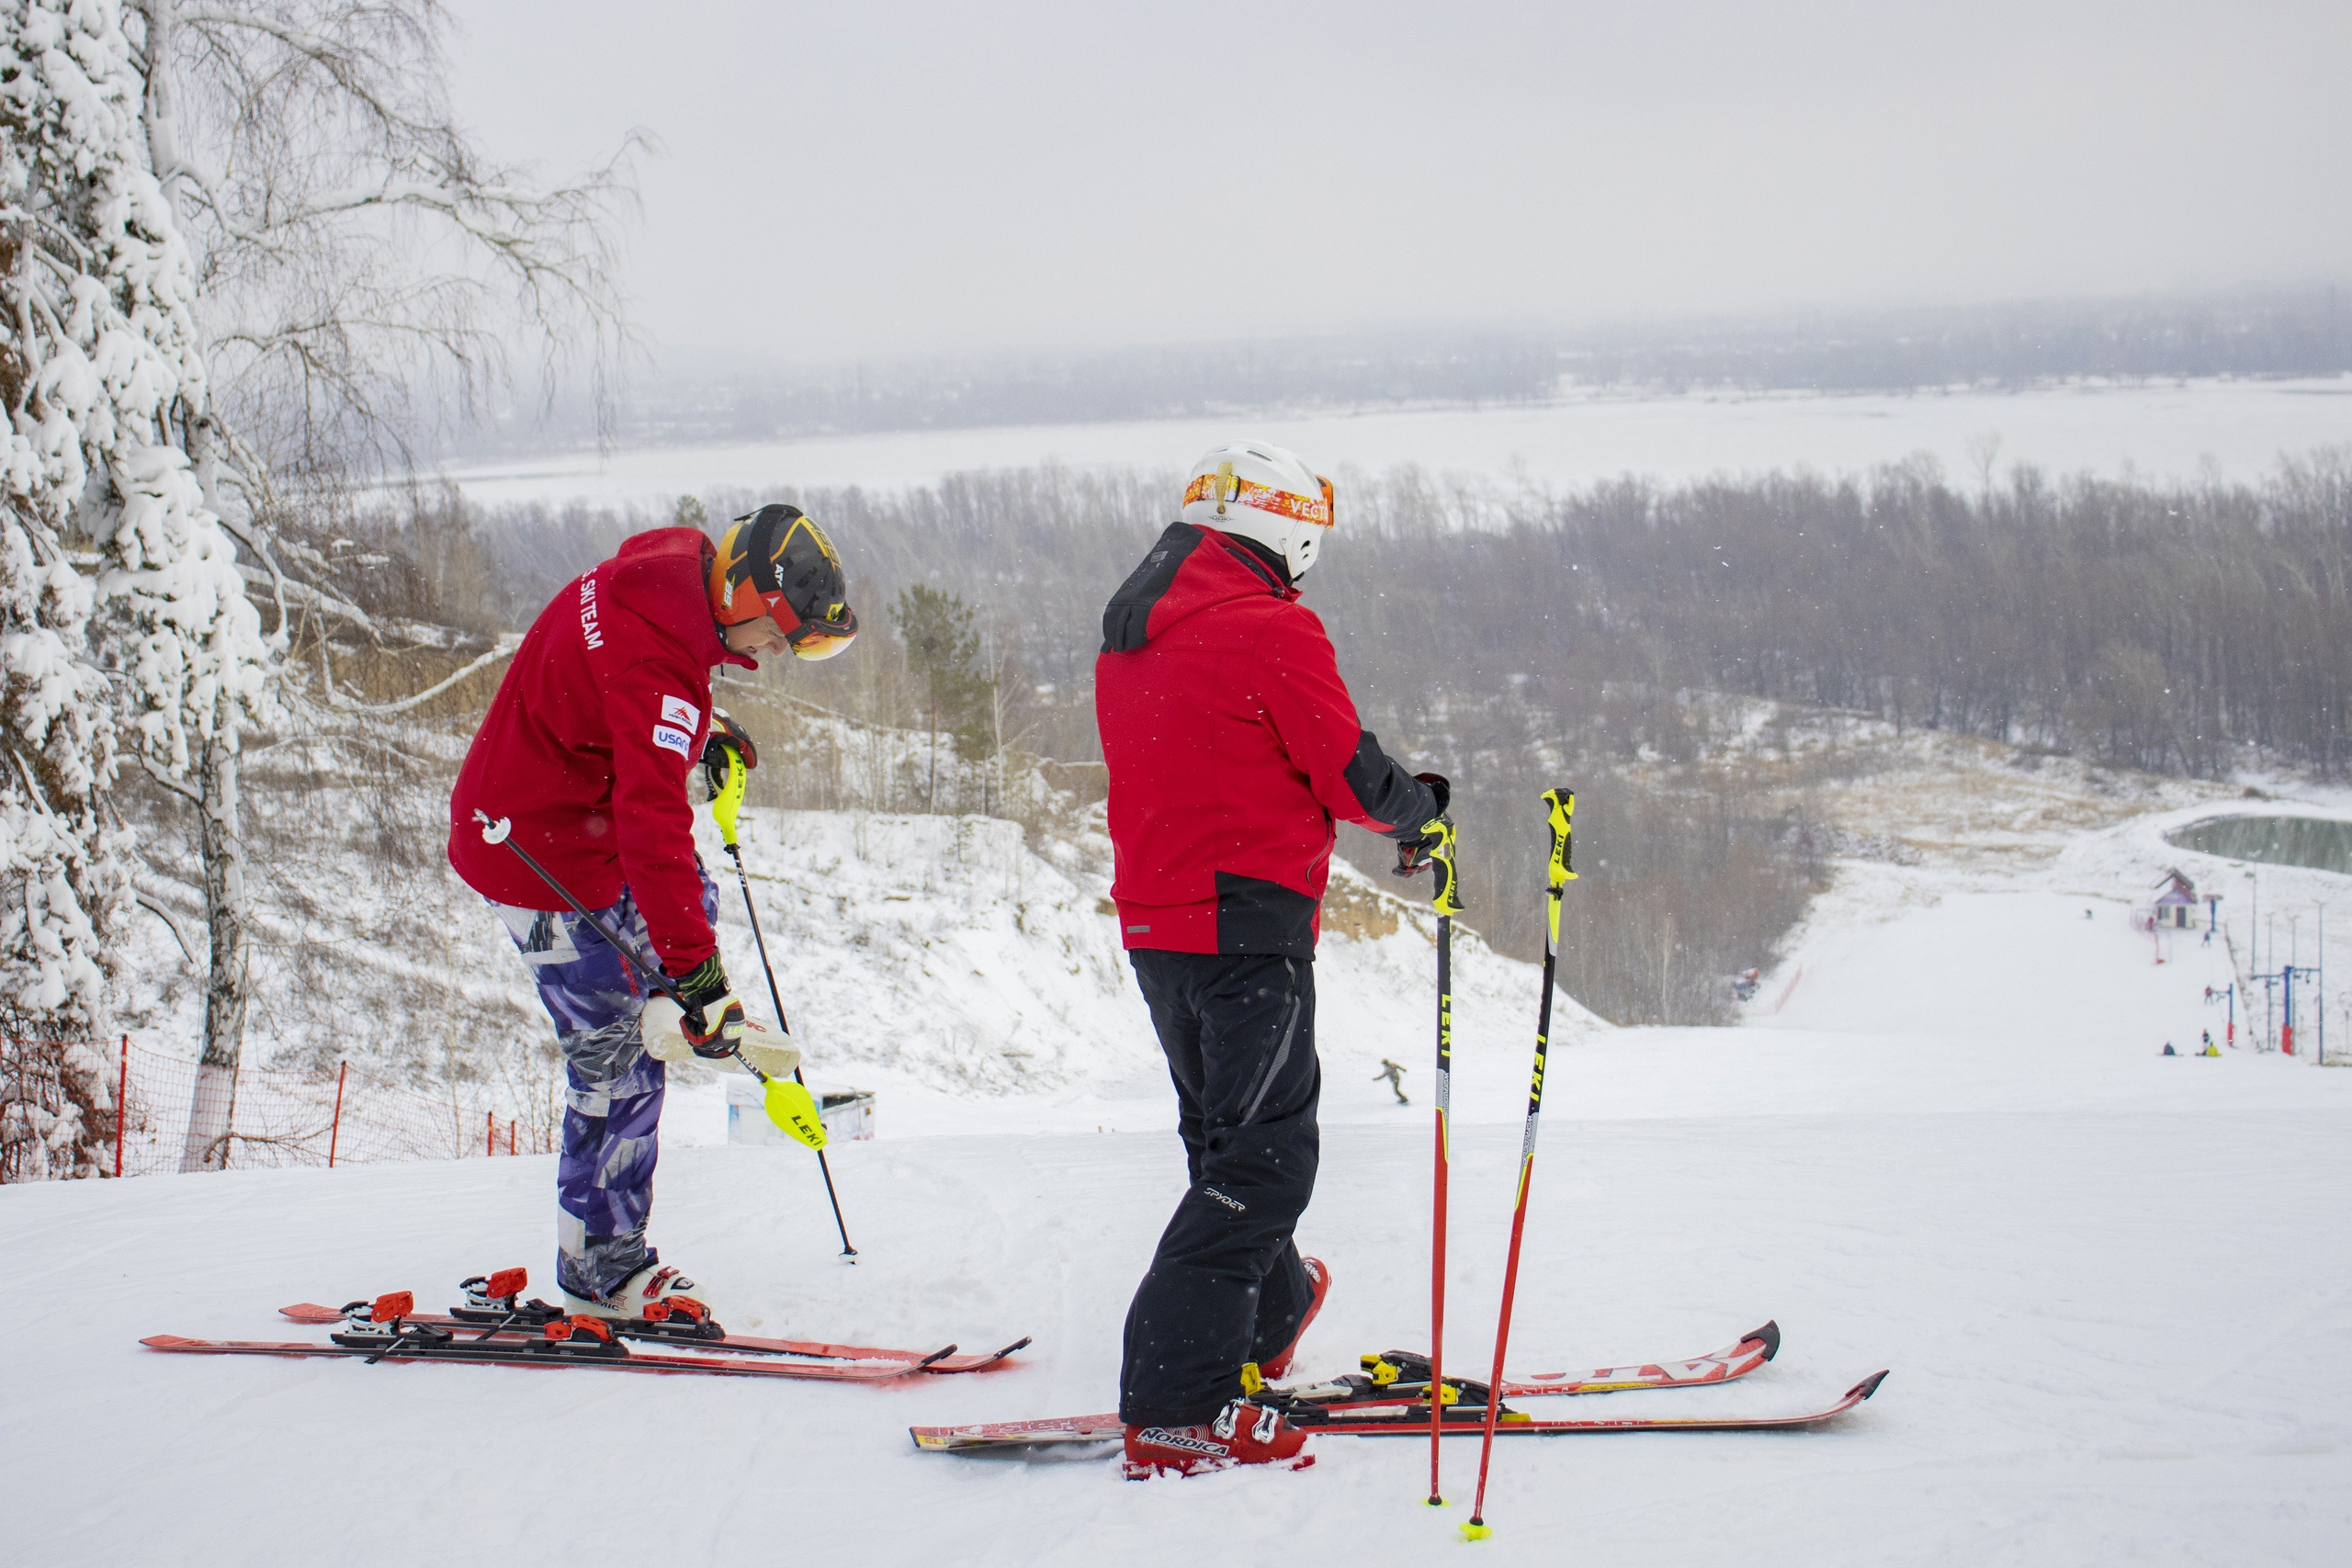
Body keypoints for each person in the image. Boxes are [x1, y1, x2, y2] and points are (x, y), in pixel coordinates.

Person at [1095, 441, 1452, 1478]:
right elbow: (1343, 770)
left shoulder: (1131, 633)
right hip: (1247, 929)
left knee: (1223, 1141)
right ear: (1286, 528)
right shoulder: (1268, 628)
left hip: (1160, 927)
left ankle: (1272, 1310)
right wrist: (1417, 807)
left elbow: (1219, 756)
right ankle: (1175, 1403)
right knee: (1264, 1161)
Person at [447, 504, 858, 1317]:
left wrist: (697, 728)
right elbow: (653, 827)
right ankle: (603, 1268)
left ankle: (672, 1004)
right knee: (618, 1058)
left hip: (571, 818)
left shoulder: (674, 570)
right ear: (744, 598)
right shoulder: (657, 669)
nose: (773, 657)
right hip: (536, 852)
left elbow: (635, 700)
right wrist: (698, 975)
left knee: (685, 915)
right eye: (778, 640)